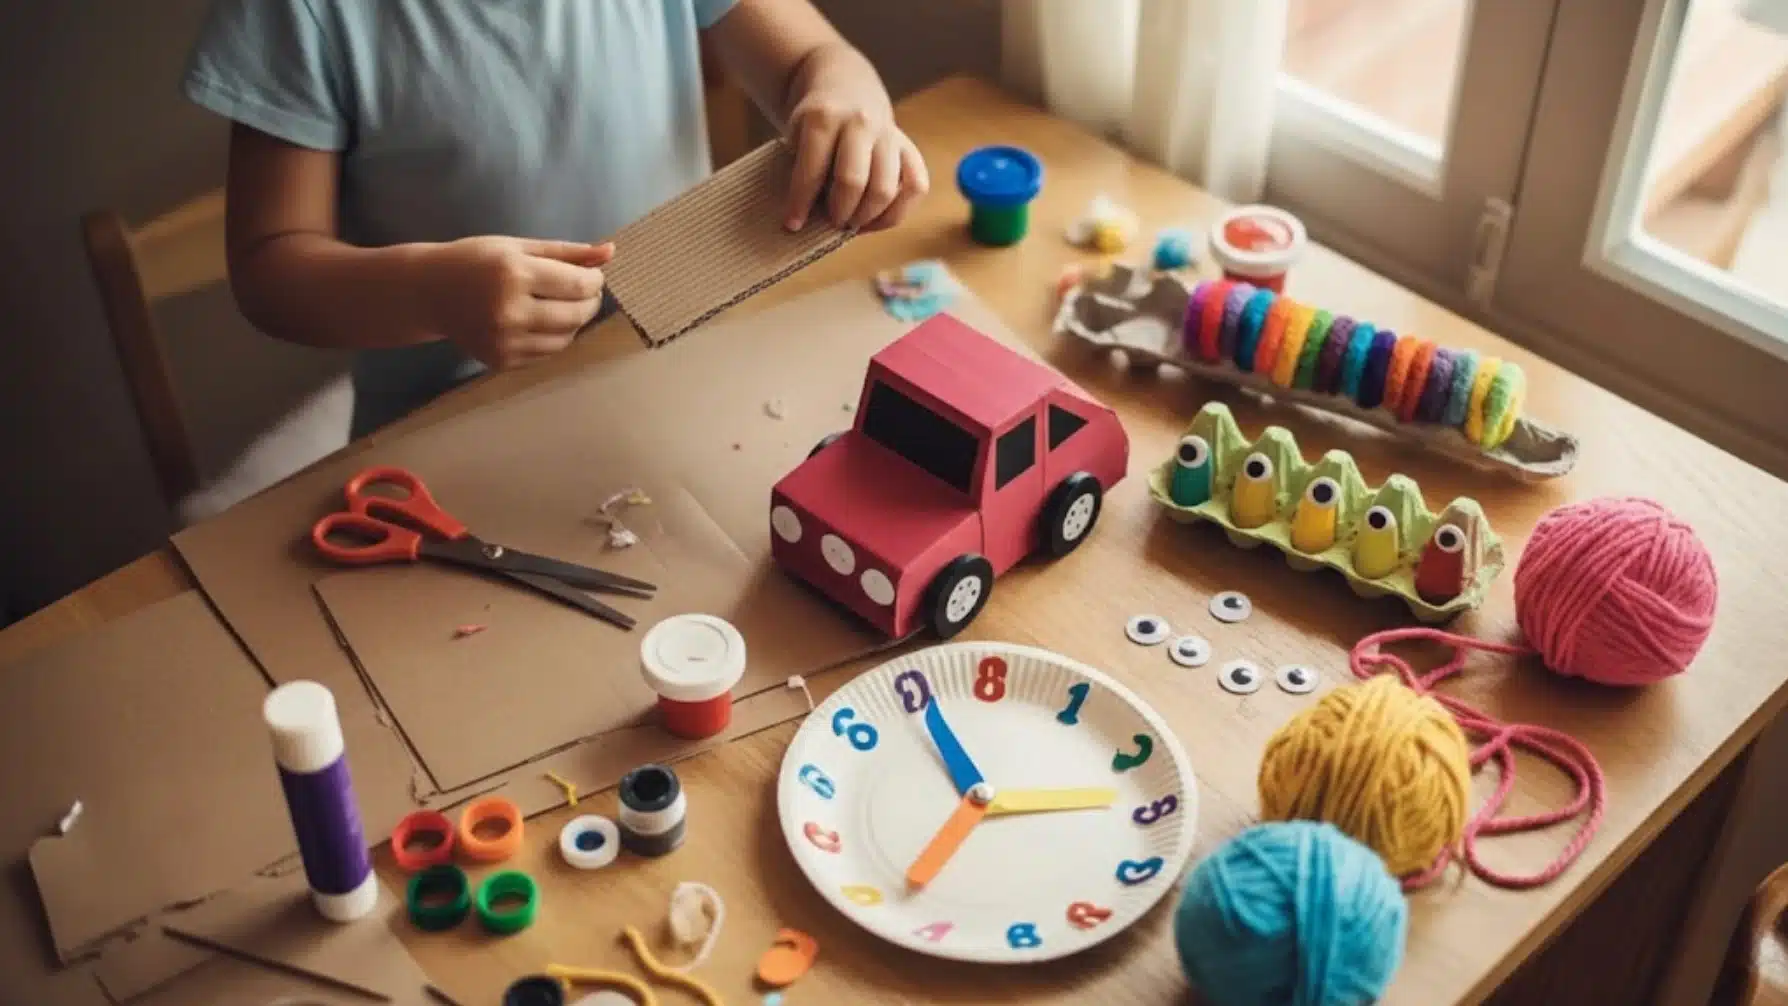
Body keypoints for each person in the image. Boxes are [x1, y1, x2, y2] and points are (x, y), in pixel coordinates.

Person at [182, 0, 928, 438]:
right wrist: (435, 293)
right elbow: (270, 267)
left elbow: (814, 60)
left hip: (674, 377)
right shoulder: (302, 15)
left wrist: (846, 100)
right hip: (447, 429)